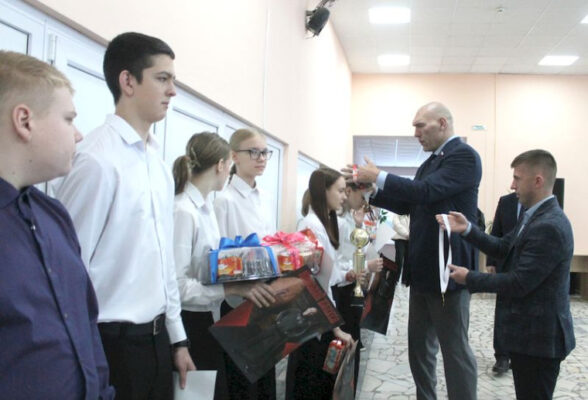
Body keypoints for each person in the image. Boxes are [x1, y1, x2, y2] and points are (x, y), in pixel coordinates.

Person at [53, 32, 195, 399]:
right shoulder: (96, 160)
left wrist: (178, 339)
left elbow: (165, 262)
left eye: (173, 80)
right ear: (128, 81)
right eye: (162, 79)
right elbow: (69, 268)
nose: (172, 91)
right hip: (110, 344)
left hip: (157, 341)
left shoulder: (158, 164)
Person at [347, 102, 481, 399]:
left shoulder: (463, 156)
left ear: (442, 123)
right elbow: (411, 202)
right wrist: (371, 191)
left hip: (448, 273)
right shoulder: (430, 163)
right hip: (422, 270)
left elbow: (426, 191)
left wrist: (379, 175)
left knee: (454, 351)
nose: (416, 133)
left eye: (421, 125)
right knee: (419, 349)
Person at [0, 51, 114, 399]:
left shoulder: (54, 215)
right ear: (25, 121)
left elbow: (85, 325)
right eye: (68, 119)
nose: (78, 135)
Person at [438, 149, 575, 400]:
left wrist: (470, 278)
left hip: (540, 339)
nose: (512, 185)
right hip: (529, 336)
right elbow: (503, 247)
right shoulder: (533, 216)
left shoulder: (549, 226)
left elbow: (519, 282)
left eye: (517, 178)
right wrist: (467, 229)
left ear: (538, 181)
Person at [171, 132, 277, 399]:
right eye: (229, 165)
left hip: (211, 315)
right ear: (221, 165)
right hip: (190, 320)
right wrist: (231, 289)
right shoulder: (184, 210)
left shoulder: (204, 208)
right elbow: (177, 286)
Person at [213, 128, 277, 399]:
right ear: (234, 156)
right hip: (238, 301)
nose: (261, 158)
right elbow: (219, 258)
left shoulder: (264, 196)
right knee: (244, 384)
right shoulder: (224, 200)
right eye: (254, 152)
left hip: (266, 297)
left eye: (265, 152)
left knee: (265, 381)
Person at [286, 167, 353, 400]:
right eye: (340, 191)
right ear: (323, 191)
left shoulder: (322, 225)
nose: (344, 196)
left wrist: (346, 275)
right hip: (314, 317)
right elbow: (314, 281)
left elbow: (327, 274)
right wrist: (335, 327)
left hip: (320, 313)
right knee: (309, 382)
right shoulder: (310, 227)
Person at [334, 182, 383, 390]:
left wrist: (359, 225)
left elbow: (354, 250)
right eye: (361, 197)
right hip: (341, 289)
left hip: (350, 285)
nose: (364, 203)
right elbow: (340, 263)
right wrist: (366, 265)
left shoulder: (348, 220)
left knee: (351, 343)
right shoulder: (337, 222)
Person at [486, 192, 521, 375]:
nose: (513, 184)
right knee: (503, 311)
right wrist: (491, 261)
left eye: (517, 179)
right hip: (505, 265)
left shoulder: (539, 205)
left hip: (527, 266)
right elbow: (496, 232)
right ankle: (502, 356)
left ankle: (519, 354)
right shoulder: (506, 202)